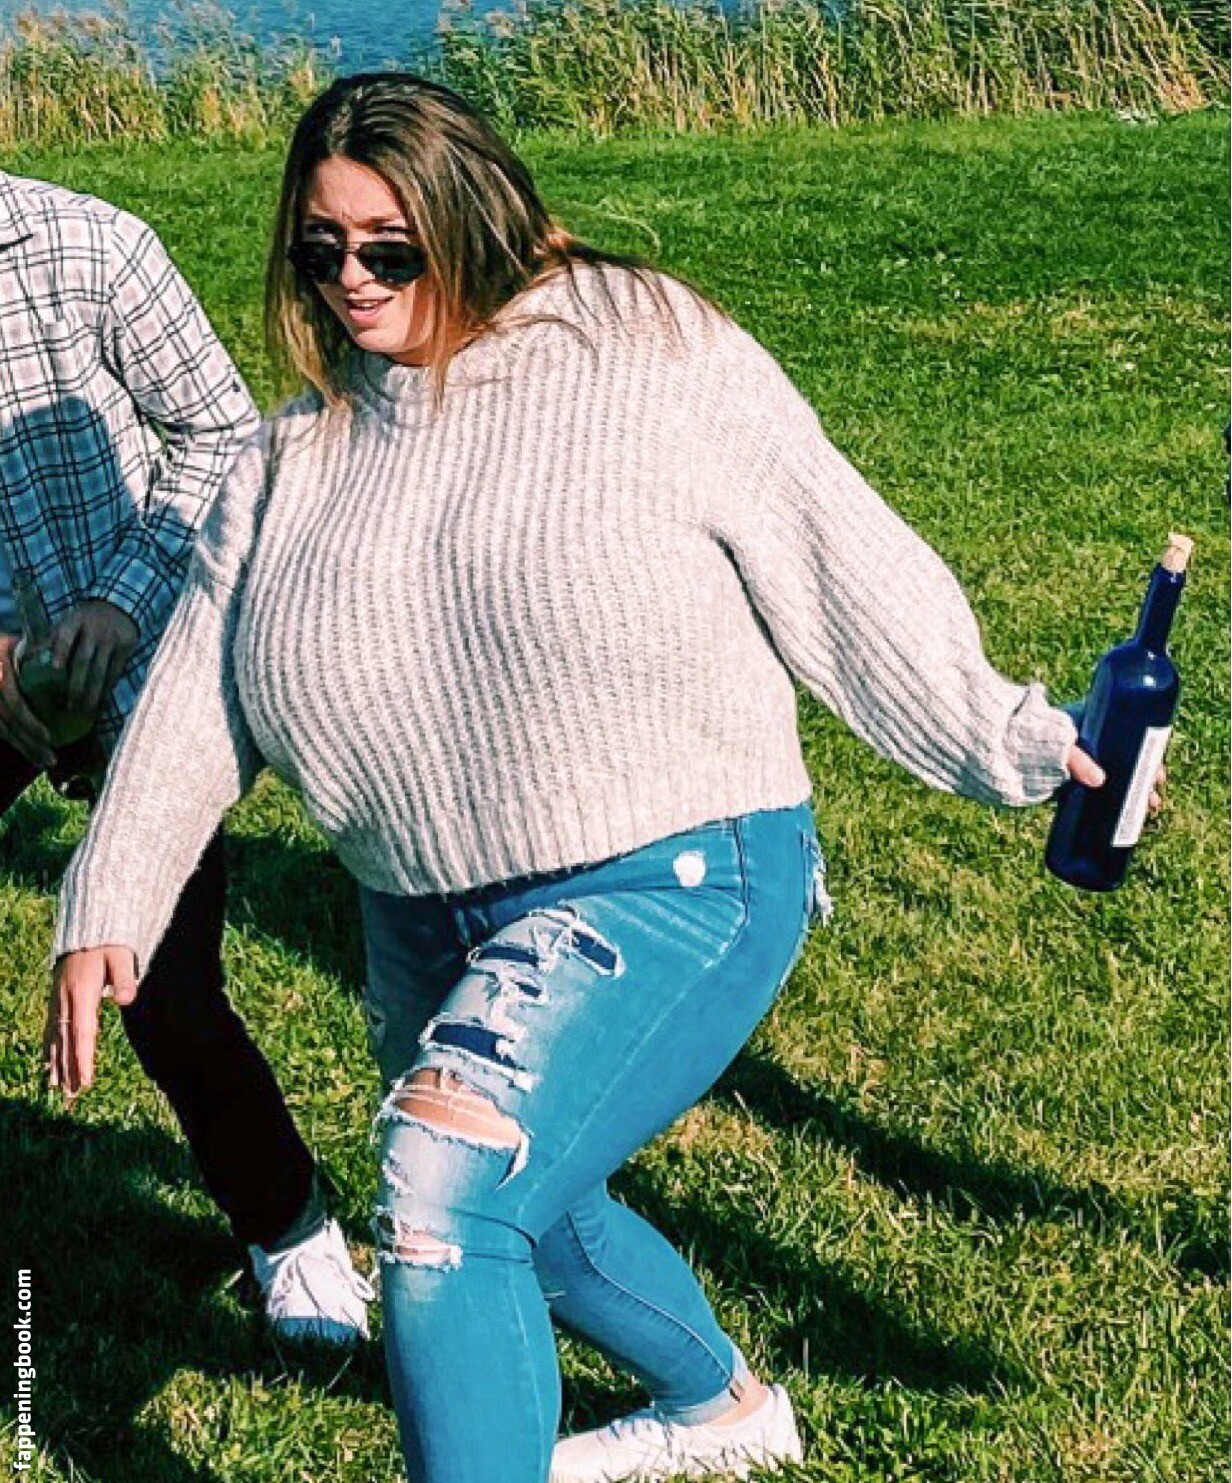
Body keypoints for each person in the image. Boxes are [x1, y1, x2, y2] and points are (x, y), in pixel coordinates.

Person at [42, 74, 1128, 1483]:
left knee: (447, 1194)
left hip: (672, 870)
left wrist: (1013, 740)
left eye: (390, 248)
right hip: (421, 912)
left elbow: (838, 554)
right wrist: (110, 898)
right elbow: (198, 694)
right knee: (529, 1212)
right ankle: (723, 1412)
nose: (353, 279)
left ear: (471, 222)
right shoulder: (291, 453)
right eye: (322, 249)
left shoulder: (647, 351)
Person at [0, 170, 372, 1345]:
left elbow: (221, 434)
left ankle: (291, 1231)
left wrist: (118, 602)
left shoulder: (90, 245)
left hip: (142, 647)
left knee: (164, 990)